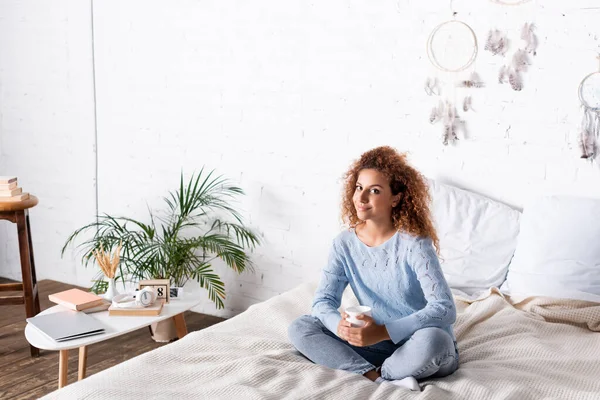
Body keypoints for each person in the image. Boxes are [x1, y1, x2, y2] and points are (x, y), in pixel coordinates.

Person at [288, 146, 458, 391]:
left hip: (419, 343)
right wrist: (341, 327)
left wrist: (383, 331)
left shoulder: (415, 244)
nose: (361, 197)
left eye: (374, 190)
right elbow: (322, 301)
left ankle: (385, 373)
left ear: (396, 198)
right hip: (375, 344)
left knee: (435, 340)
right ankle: (374, 378)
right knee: (302, 327)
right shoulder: (344, 244)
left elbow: (444, 309)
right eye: (359, 187)